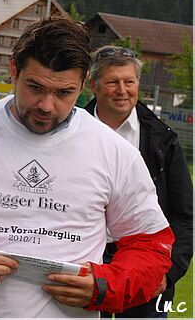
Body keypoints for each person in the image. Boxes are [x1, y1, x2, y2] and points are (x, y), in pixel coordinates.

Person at [0, 16, 175, 318]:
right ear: (14, 70)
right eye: (35, 87)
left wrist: (103, 286)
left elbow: (151, 245)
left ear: (83, 84)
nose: (46, 105)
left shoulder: (113, 150)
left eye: (63, 93)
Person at [85, 45, 193, 318]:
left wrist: (168, 273)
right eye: (113, 82)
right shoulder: (69, 133)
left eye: (129, 82)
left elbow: (184, 214)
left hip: (145, 261)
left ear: (138, 84)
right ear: (93, 86)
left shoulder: (163, 139)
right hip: (86, 260)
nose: (122, 90)